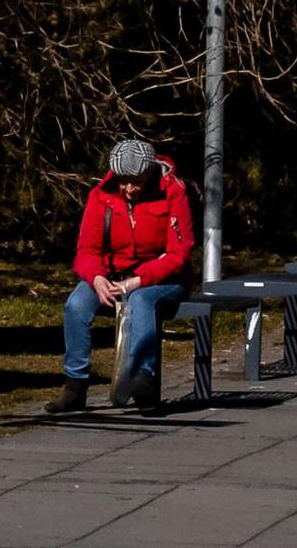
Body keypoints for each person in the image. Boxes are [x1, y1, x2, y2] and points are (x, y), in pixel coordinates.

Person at [57, 138, 194, 415]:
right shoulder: (101, 195)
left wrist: (138, 280)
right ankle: (75, 384)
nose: (129, 189)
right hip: (111, 274)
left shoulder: (173, 192)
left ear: (150, 174)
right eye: (123, 182)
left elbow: (179, 253)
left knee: (141, 302)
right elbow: (86, 249)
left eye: (136, 182)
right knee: (76, 306)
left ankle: (143, 377)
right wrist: (96, 278)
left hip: (161, 278)